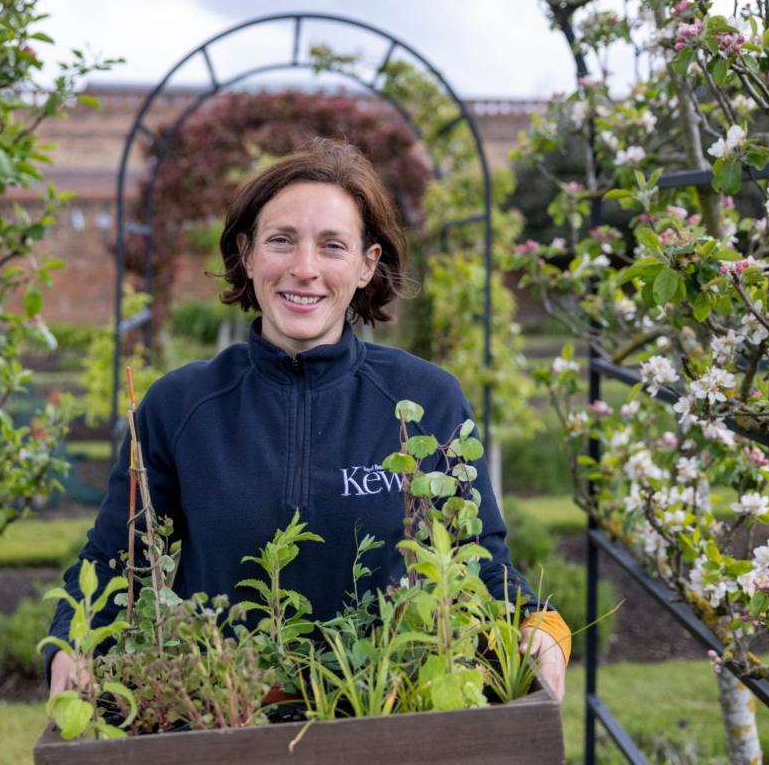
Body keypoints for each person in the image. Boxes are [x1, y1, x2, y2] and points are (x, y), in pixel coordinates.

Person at [46, 138, 569, 702]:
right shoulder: (178, 407)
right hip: (216, 725)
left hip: (388, 725)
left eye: (333, 246)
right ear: (246, 254)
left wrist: (542, 629)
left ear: (368, 265)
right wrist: (68, 649)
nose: (304, 269)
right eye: (281, 241)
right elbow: (112, 564)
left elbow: (481, 565)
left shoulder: (428, 400)